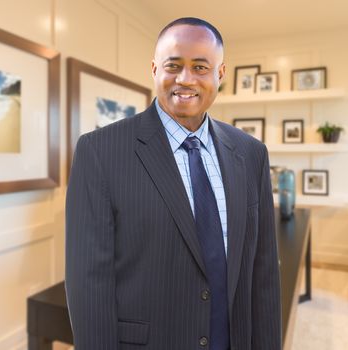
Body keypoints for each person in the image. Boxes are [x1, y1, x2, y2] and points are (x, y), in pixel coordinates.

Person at [65, 17, 282, 350]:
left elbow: (263, 273)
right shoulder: (100, 151)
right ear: (154, 70)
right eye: (173, 66)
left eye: (200, 67)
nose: (185, 79)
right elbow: (89, 283)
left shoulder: (251, 153)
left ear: (219, 75)